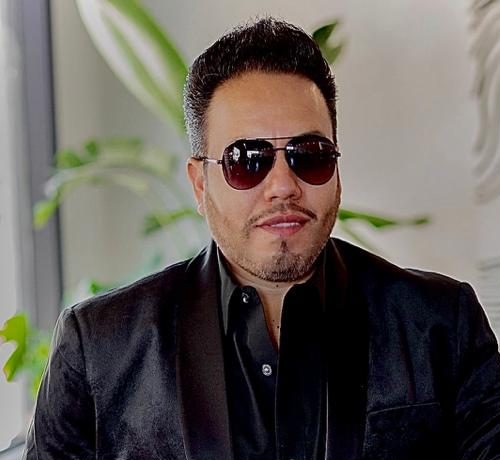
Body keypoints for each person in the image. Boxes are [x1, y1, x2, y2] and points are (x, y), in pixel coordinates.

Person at [24, 17, 500, 460]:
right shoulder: (99, 348)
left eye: (308, 154)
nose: (283, 185)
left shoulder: (441, 325)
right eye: (247, 160)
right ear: (200, 183)